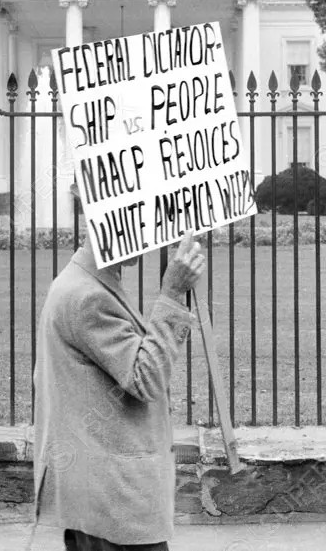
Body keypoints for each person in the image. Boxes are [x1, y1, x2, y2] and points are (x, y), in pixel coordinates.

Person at [32, 185, 206, 551]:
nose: (152, 234)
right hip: (110, 502)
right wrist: (172, 292)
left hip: (105, 501)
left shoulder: (88, 282)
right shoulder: (86, 296)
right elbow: (147, 378)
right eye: (143, 221)